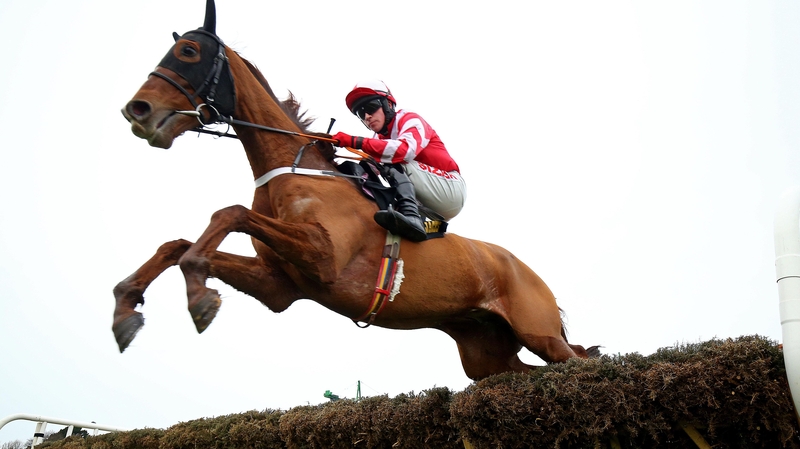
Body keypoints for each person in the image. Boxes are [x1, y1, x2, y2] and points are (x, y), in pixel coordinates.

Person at [332, 80, 466, 242]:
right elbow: (367, 170)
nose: (367, 116)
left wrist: (355, 141)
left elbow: (404, 151)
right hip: (428, 203)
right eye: (361, 113)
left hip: (451, 189)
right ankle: (414, 217)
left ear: (388, 104)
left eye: (371, 107)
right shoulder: (378, 139)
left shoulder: (409, 119)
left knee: (390, 158)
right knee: (369, 168)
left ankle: (412, 216)